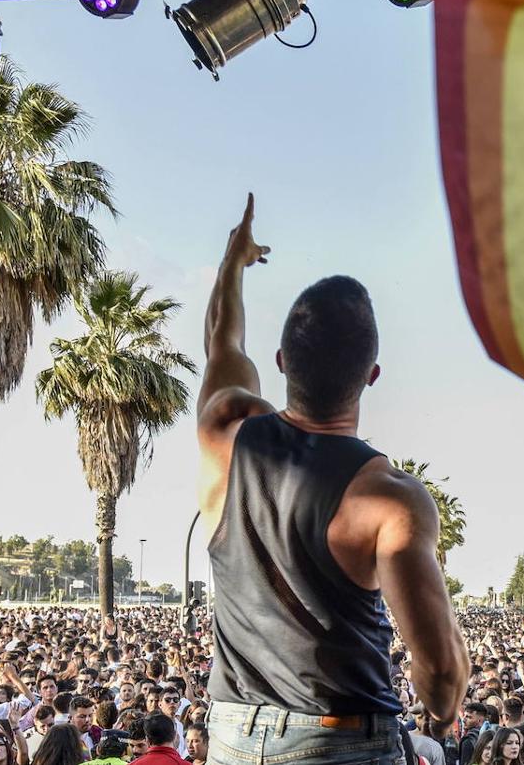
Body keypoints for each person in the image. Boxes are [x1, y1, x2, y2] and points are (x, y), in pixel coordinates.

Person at [197, 196, 468, 763]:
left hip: (230, 734)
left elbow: (222, 340)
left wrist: (233, 263)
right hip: (342, 738)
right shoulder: (391, 500)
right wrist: (440, 715)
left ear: (281, 362)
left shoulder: (225, 427)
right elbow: (440, 670)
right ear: (372, 375)